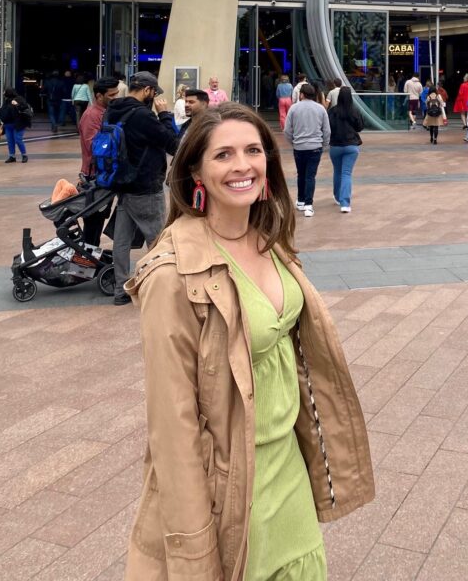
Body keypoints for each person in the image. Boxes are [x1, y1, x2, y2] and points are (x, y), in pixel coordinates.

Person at [123, 103, 374, 580]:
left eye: (253, 150)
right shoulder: (173, 274)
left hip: (289, 472)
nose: (242, 166)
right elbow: (171, 428)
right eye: (223, 155)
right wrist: (194, 550)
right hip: (232, 487)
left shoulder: (269, 240)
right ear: (194, 169)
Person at [106, 72, 180, 305]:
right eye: (154, 93)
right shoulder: (143, 116)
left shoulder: (113, 110)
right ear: (147, 90)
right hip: (146, 186)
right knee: (158, 241)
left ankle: (120, 290)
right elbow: (172, 143)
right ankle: (161, 289)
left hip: (123, 184)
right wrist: (165, 115)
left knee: (121, 241)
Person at [283, 83, 330, 218]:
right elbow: (327, 130)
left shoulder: (294, 109)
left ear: (302, 94)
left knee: (301, 174)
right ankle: (309, 205)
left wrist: (293, 141)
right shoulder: (321, 109)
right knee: (310, 176)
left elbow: (287, 130)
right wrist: (324, 144)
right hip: (315, 147)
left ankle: (301, 200)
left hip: (299, 147)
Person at [328, 86, 363, 212]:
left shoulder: (332, 111)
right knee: (346, 173)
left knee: (337, 171)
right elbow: (360, 127)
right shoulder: (354, 111)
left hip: (335, 146)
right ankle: (345, 203)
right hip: (351, 145)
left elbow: (328, 127)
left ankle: (337, 197)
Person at [79, 77, 121, 178]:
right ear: (99, 96)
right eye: (112, 95)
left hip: (107, 171)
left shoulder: (108, 111)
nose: (116, 97)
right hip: (96, 174)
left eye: (117, 93)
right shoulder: (91, 115)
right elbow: (94, 146)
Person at [0, 87, 32, 163]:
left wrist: (17, 104)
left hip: (18, 124)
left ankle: (24, 155)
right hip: (8, 124)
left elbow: (25, 108)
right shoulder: (6, 101)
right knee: (10, 141)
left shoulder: (19, 99)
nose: (4, 94)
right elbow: (3, 111)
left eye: (5, 92)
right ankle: (12, 156)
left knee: (18, 139)